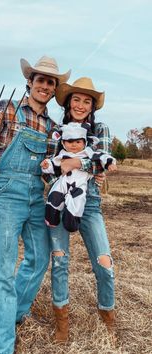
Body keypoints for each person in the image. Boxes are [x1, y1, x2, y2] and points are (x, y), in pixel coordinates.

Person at [0, 56, 71, 354]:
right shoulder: (7, 108)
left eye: (50, 82)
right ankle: (2, 344)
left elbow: (54, 166)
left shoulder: (53, 127)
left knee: (39, 258)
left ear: (54, 89)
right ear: (30, 81)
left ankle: (8, 313)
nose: (44, 85)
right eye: (40, 79)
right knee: (2, 269)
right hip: (6, 192)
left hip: (36, 195)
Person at [45, 77, 117, 343]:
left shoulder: (101, 129)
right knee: (60, 261)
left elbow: (103, 164)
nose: (81, 104)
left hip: (91, 205)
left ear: (92, 106)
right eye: (76, 99)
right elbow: (50, 168)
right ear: (67, 102)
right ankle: (62, 324)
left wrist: (74, 161)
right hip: (60, 202)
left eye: (87, 101)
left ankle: (108, 319)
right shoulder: (57, 131)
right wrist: (61, 181)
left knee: (104, 263)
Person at [41, 122, 116, 232]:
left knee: (77, 202)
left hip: (79, 185)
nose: (74, 145)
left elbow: (102, 157)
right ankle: (51, 219)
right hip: (62, 182)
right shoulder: (62, 154)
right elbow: (54, 165)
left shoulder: (87, 153)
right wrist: (47, 165)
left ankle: (71, 222)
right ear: (63, 142)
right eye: (70, 142)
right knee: (53, 196)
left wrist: (109, 163)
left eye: (78, 142)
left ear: (85, 142)